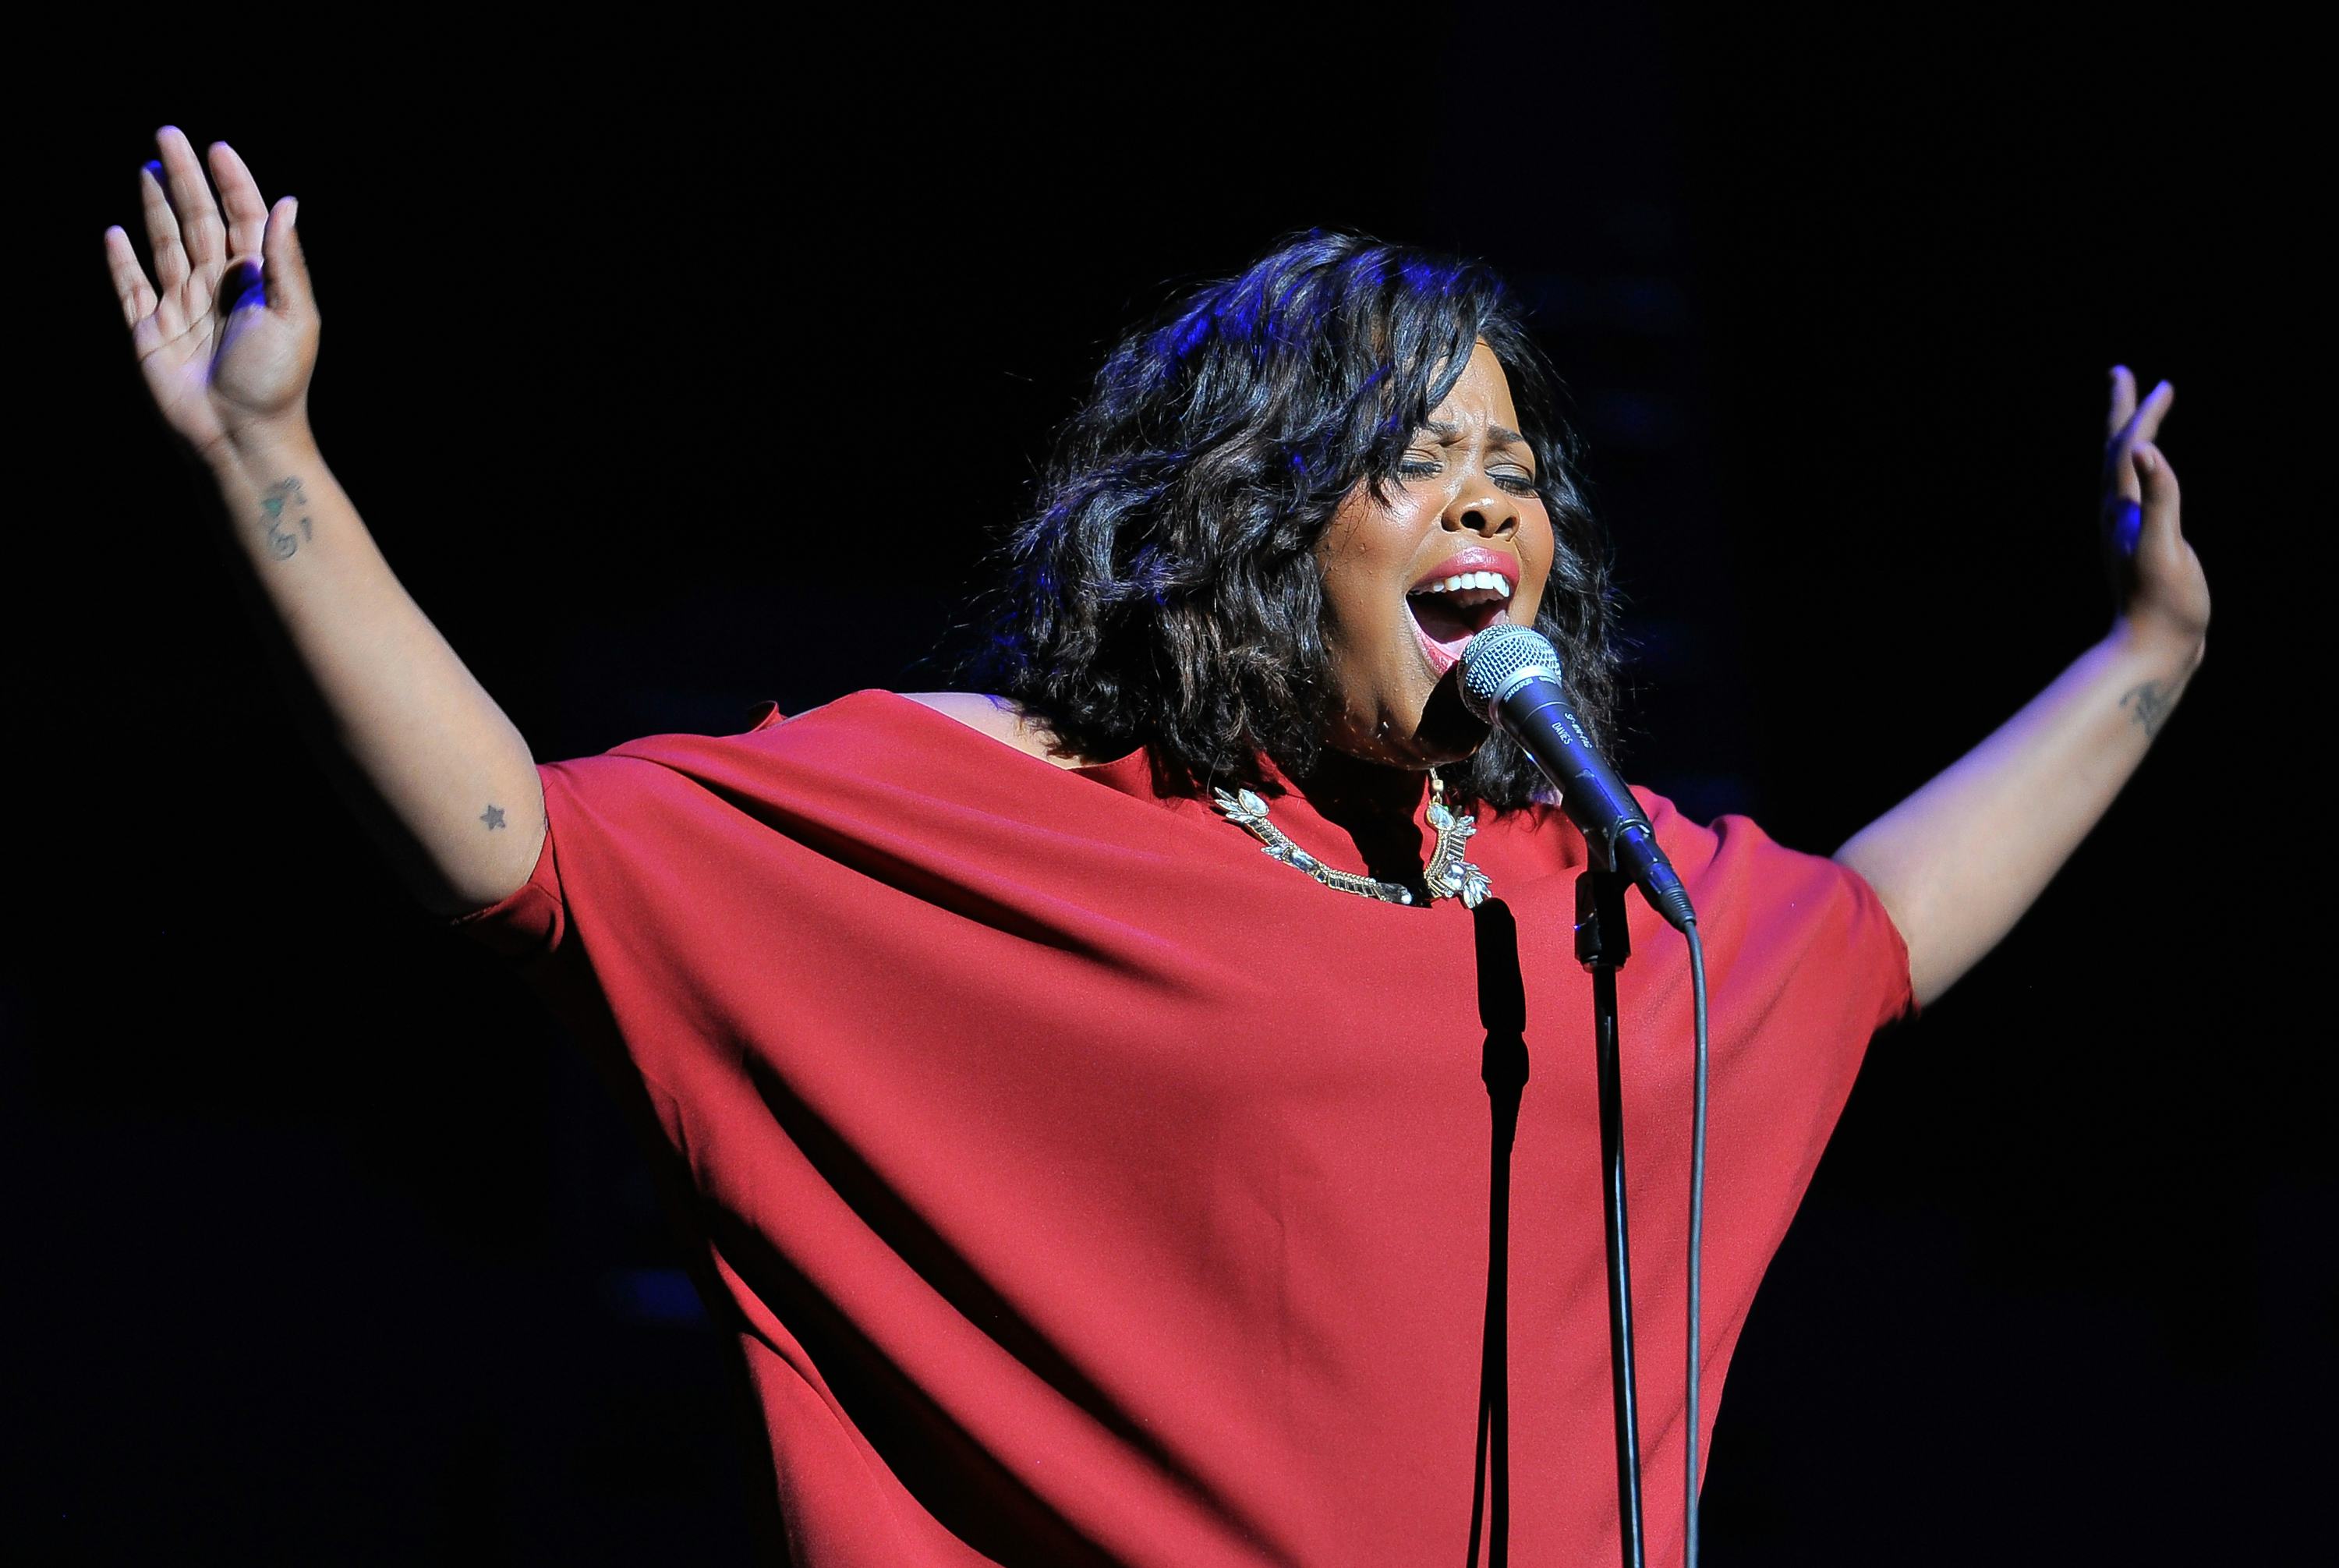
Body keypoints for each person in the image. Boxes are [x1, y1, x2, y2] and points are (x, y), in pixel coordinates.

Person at [106, 125, 2208, 1566]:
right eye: (1412, 462)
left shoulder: (1594, 895)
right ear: (1255, 523)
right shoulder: (1026, 818)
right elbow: (520, 845)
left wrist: (2152, 653)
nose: (1488, 505)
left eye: (1512, 468)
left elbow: (1873, 926)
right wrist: (269, 464)